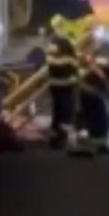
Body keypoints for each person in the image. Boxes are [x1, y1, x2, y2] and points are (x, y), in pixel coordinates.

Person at [44, 15, 79, 149]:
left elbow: (72, 59)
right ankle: (58, 139)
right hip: (61, 82)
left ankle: (59, 138)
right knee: (64, 111)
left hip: (65, 82)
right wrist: (69, 67)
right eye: (62, 26)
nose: (64, 28)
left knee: (62, 111)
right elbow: (53, 61)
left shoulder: (66, 41)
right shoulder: (56, 42)